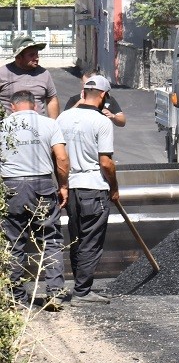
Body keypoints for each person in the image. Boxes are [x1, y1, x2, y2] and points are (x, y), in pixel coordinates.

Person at [1, 90, 69, 308]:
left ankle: (15, 298)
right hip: (41, 184)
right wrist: (64, 186)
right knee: (50, 239)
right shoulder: (49, 124)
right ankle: (54, 294)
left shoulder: (2, 126)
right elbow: (61, 158)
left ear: (12, 107)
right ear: (35, 106)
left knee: (13, 242)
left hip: (10, 185)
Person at [58, 75, 119, 304]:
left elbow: (58, 157)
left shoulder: (63, 118)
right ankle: (82, 292)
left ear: (83, 93)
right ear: (103, 96)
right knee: (91, 241)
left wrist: (62, 184)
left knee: (76, 239)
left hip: (71, 188)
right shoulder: (102, 122)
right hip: (94, 188)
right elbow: (106, 162)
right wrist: (114, 188)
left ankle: (80, 287)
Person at [0, 34, 59, 118]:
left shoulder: (44, 73)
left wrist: (53, 124)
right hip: (10, 129)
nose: (37, 58)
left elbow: (52, 100)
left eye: (37, 54)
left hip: (38, 128)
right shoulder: (3, 73)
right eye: (31, 55)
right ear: (19, 57)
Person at [63, 70, 127, 128]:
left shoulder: (108, 99)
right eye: (85, 83)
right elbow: (63, 119)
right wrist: (79, 103)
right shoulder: (75, 99)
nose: (87, 87)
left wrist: (113, 116)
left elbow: (122, 121)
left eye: (90, 84)